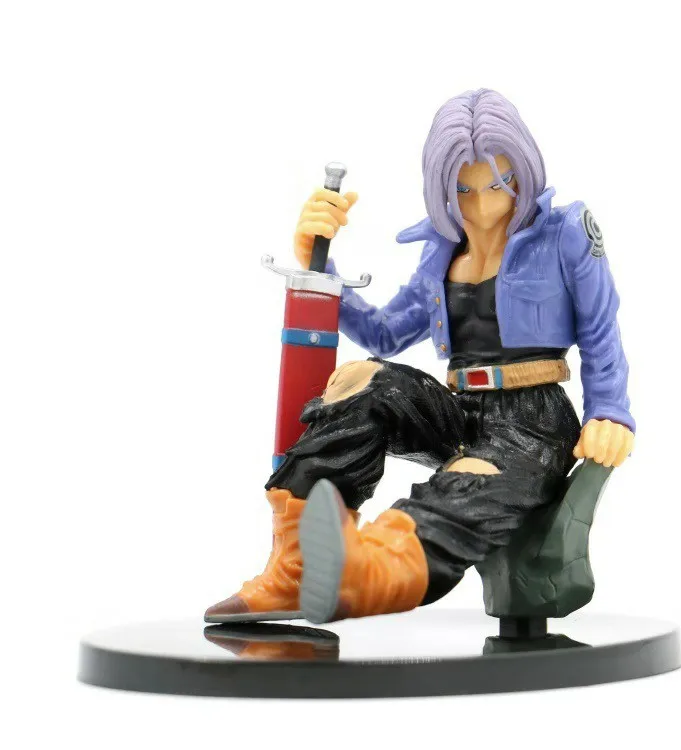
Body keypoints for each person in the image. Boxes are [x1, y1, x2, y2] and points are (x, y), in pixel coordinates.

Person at [205, 88, 635, 625]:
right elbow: (384, 334)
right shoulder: (442, 250)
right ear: (442, 187)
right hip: (459, 408)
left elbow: (600, 328)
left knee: (472, 477)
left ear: (522, 171)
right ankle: (295, 568)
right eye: (464, 190)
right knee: (362, 380)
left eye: (499, 184)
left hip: (532, 420)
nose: (483, 206)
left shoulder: (564, 233)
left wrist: (609, 411)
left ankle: (365, 573)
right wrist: (320, 267)